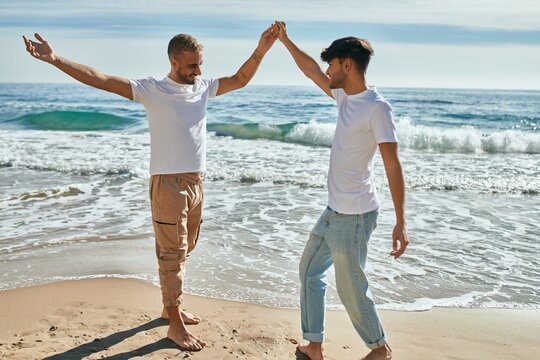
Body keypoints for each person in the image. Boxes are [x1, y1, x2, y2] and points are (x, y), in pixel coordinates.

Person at [23, 26, 278, 351]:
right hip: (168, 185)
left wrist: (262, 48)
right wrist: (55, 58)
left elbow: (240, 78)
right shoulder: (151, 89)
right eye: (191, 65)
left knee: (185, 249)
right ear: (173, 61)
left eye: (200, 64)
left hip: (196, 182)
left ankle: (168, 306)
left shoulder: (202, 86)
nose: (198, 70)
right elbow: (100, 78)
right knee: (172, 254)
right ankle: (174, 324)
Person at [274, 22, 409, 360]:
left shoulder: (378, 108)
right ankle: (314, 344)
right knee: (309, 271)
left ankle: (380, 349)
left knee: (351, 290)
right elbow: (309, 71)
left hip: (356, 214)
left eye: (331, 64)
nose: (326, 70)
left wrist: (401, 221)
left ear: (347, 64)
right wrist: (285, 40)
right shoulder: (345, 97)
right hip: (334, 210)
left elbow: (393, 165)